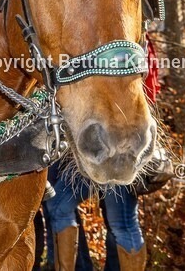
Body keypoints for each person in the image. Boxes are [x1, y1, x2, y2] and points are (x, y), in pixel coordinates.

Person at [42, 36, 159, 271]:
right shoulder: (110, 37)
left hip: (123, 138)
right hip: (104, 136)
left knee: (121, 223)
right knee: (63, 206)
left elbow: (150, 88)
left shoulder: (133, 41)